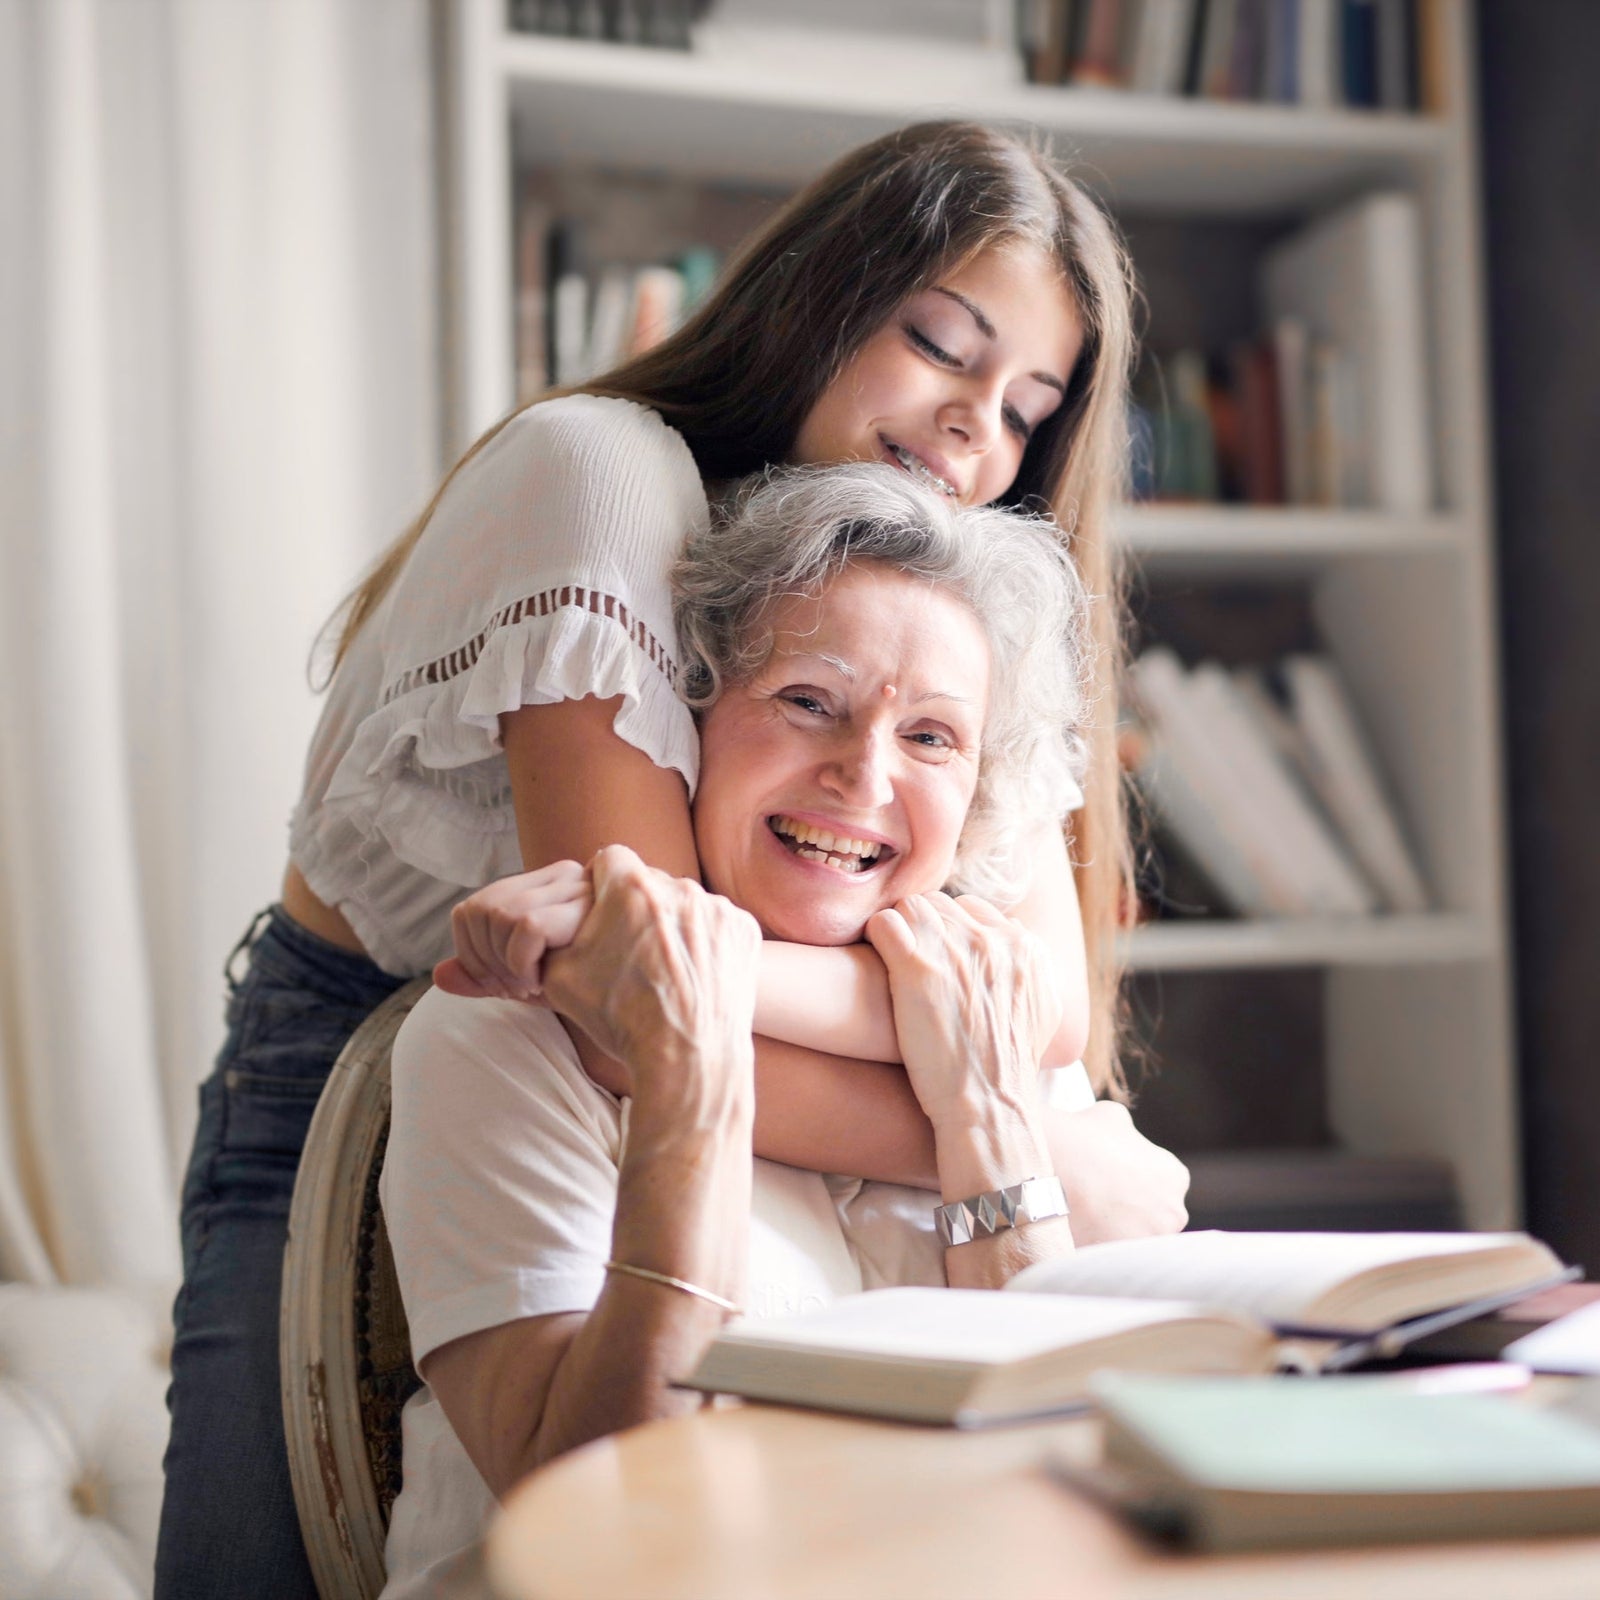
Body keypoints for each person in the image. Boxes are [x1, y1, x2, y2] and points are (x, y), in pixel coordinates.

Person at [155, 120, 1184, 1600]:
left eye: (1028, 408)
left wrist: (1004, 1081)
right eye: (941, 348)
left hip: (674, 1065)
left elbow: (1044, 1006)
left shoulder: (938, 588)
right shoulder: (600, 476)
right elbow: (654, 1016)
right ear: (819, 302)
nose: (977, 433)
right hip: (379, 1063)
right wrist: (1017, 1127)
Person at [379, 464, 1122, 1597]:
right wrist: (688, 1072)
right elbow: (609, 1525)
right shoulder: (506, 1040)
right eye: (809, 701)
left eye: (931, 737)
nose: (863, 773)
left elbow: (1066, 1486)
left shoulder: (983, 1022)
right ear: (693, 712)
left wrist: (989, 1116)